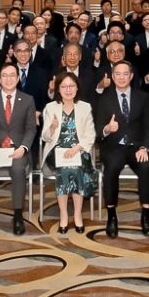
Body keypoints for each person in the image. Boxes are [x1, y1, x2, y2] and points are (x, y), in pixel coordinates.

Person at [0, 63, 39, 236]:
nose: (9, 79)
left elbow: (31, 129)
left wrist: (24, 147)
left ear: (18, 79)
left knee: (18, 170)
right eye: (5, 75)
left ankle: (18, 216)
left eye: (12, 75)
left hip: (17, 147)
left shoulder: (28, 100)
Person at [94, 61, 149, 238]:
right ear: (113, 77)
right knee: (111, 170)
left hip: (137, 147)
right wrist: (107, 129)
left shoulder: (143, 97)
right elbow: (98, 129)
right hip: (114, 146)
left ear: (131, 76)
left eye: (125, 74)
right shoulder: (104, 99)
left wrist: (145, 147)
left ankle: (145, 215)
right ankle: (111, 215)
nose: (121, 77)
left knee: (146, 168)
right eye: (118, 74)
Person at [42, 73, 96, 235]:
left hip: (79, 149)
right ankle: (64, 214)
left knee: (76, 167)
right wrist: (52, 127)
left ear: (77, 88)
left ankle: (77, 214)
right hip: (56, 151)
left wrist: (76, 148)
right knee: (65, 168)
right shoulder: (50, 107)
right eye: (64, 86)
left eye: (71, 86)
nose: (68, 90)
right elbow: (45, 137)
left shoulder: (85, 107)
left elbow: (90, 135)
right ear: (58, 89)